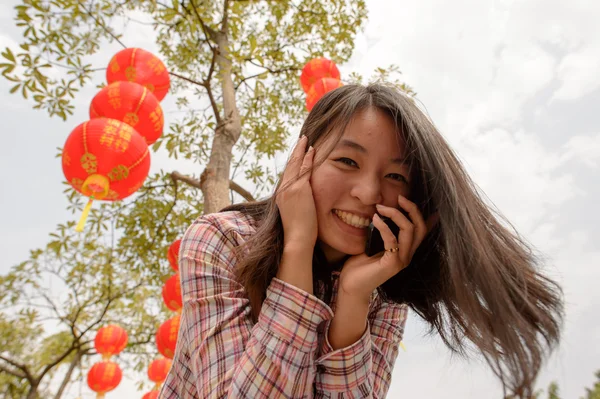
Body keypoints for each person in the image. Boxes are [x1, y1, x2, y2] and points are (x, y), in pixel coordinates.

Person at [159, 84, 563, 399]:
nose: (369, 193)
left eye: (395, 177)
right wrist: (298, 247)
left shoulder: (383, 293)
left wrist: (353, 298)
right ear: (304, 159)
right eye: (348, 162)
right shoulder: (222, 240)